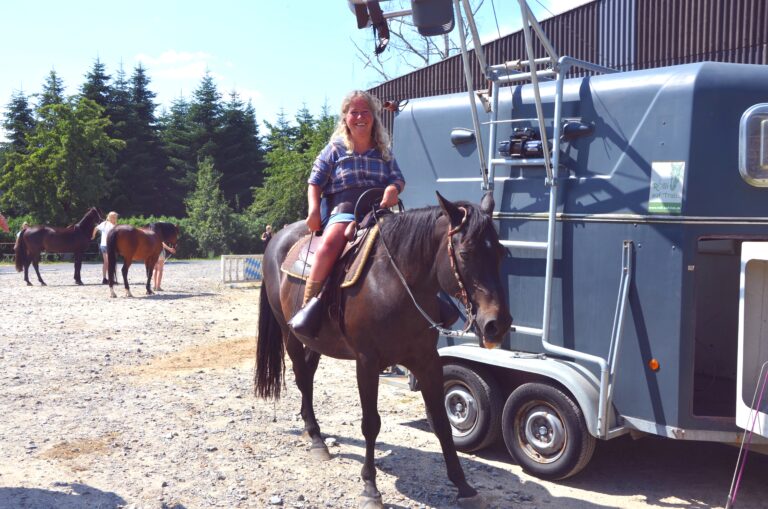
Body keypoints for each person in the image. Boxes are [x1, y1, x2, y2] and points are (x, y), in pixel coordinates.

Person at [294, 90, 405, 331]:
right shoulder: (334, 149)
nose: (360, 117)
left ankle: (424, 307)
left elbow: (398, 178)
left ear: (374, 117)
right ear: (345, 117)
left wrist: (393, 188)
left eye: (365, 112)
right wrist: (313, 211)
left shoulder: (384, 151)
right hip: (344, 209)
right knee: (330, 244)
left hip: (378, 210)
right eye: (354, 112)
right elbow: (315, 182)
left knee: (411, 242)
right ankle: (309, 308)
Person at [93, 211, 118, 284]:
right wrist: (93, 235)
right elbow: (96, 228)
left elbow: (96, 228)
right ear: (109, 217)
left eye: (115, 217)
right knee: (110, 262)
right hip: (107, 245)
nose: (114, 218)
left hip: (107, 245)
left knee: (107, 262)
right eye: (113, 217)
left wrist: (93, 235)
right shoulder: (110, 225)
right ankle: (110, 279)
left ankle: (106, 278)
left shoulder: (107, 224)